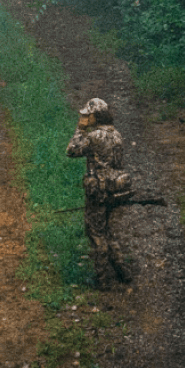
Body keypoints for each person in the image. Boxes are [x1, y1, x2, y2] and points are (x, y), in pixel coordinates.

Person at [67, 97, 133, 284]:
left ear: (96, 116)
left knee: (96, 233)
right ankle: (123, 271)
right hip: (115, 188)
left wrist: (80, 128)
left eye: (89, 116)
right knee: (108, 230)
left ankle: (103, 279)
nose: (86, 118)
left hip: (98, 191)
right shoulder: (117, 135)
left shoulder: (94, 136)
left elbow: (71, 150)